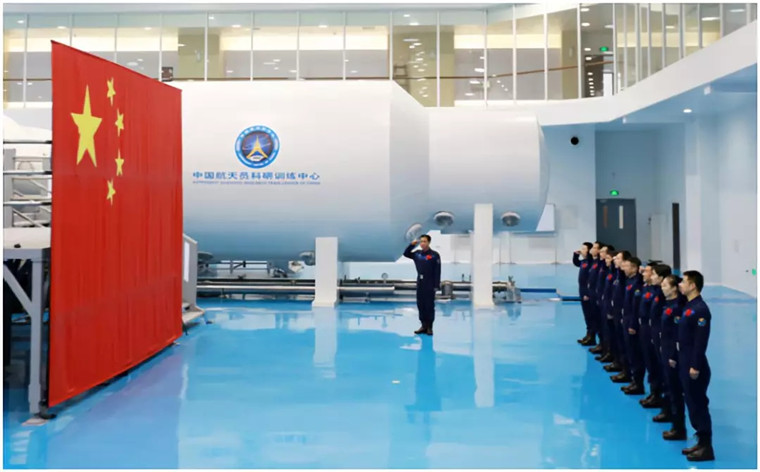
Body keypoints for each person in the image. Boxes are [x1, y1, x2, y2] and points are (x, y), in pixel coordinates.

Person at [677, 270, 715, 461]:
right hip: (685, 360)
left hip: (694, 364)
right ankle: (700, 442)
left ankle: (707, 447)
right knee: (692, 404)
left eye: (683, 282)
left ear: (693, 286)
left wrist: (695, 366)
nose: (680, 285)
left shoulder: (700, 310)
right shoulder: (689, 305)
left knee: (699, 405)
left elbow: (701, 342)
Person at [659, 274, 687, 440]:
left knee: (675, 391)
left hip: (672, 353)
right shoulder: (668, 304)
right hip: (666, 350)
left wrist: (673, 356)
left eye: (665, 285)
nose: (662, 288)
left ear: (674, 288)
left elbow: (677, 335)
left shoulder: (677, 308)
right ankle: (671, 417)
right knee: (669, 386)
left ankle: (679, 428)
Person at [638, 262, 664, 409]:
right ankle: (654, 392)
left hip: (655, 330)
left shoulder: (660, 294)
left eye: (652, 273)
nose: (649, 275)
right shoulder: (649, 288)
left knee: (656, 364)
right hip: (647, 328)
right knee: (650, 361)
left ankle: (658, 394)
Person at [403, 235, 441, 336]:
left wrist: (436, 285)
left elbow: (437, 271)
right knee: (421, 304)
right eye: (421, 241)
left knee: (429, 305)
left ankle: (429, 327)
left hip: (430, 282)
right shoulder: (417, 254)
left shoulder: (434, 255)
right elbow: (406, 253)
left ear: (429, 242)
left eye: (424, 241)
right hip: (420, 282)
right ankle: (423, 325)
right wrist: (411, 245)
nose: (422, 243)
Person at [647, 264, 672, 414]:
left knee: (665, 372)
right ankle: (655, 394)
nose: (652, 277)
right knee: (654, 366)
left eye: (654, 274)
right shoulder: (656, 292)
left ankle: (667, 405)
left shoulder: (666, 298)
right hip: (654, 333)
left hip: (663, 337)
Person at [620, 256, 645, 394]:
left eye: (627, 266)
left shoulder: (637, 283)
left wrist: (633, 324)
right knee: (629, 351)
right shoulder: (628, 281)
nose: (623, 268)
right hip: (626, 318)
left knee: (635, 354)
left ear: (635, 268)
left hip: (632, 321)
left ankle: (638, 383)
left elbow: (635, 307)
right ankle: (632, 379)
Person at [581, 242, 603, 346]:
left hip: (594, 294)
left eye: (594, 248)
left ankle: (596, 339)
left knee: (595, 318)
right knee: (589, 316)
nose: (591, 250)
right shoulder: (593, 262)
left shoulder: (598, 264)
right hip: (588, 291)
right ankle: (590, 335)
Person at [573, 242, 594, 344]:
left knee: (590, 315)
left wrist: (587, 293)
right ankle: (588, 334)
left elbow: (590, 280)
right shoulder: (584, 262)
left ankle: (591, 335)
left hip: (586, 292)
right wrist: (575, 255)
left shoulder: (590, 262)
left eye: (584, 249)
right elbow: (577, 263)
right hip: (582, 290)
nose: (582, 250)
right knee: (586, 315)